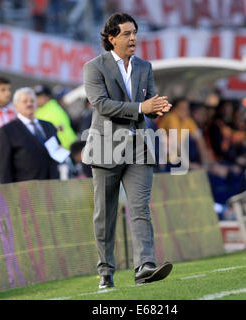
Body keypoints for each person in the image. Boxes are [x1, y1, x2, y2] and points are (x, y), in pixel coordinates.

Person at [82, 12, 173, 289]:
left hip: (139, 148)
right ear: (111, 38)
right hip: (106, 147)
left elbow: (148, 105)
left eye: (135, 33)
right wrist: (141, 109)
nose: (133, 38)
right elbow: (102, 105)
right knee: (106, 213)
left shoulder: (145, 66)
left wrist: (157, 108)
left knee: (140, 208)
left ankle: (144, 265)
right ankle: (106, 270)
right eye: (126, 34)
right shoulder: (93, 67)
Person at [0, 87, 59, 184]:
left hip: (52, 186)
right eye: (25, 101)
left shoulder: (48, 126)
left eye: (32, 101)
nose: (29, 104)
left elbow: (57, 151)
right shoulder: (7, 131)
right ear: (16, 106)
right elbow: (3, 167)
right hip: (25, 190)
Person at [34, 84, 77, 149]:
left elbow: (59, 131)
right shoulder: (45, 109)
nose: (37, 99)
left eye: (40, 96)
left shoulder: (51, 110)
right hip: (66, 146)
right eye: (36, 96)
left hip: (64, 148)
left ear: (47, 96)